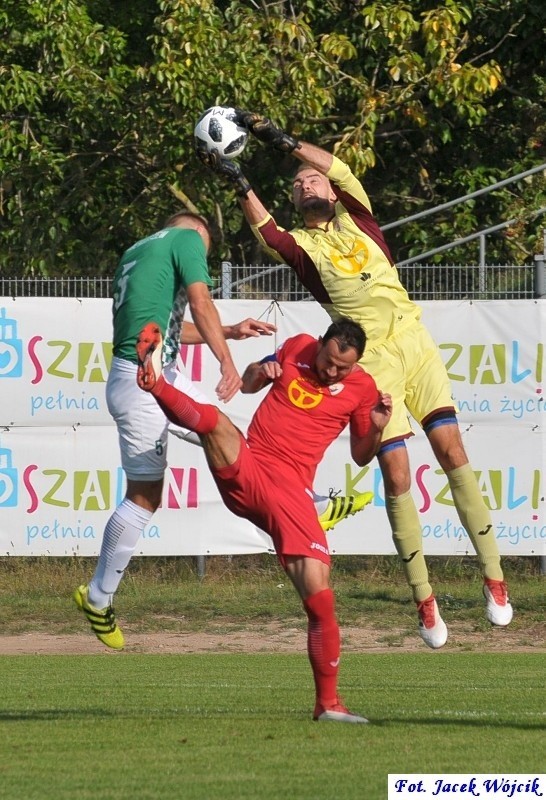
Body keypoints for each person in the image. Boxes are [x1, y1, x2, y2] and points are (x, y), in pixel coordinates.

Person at [197, 111, 513, 649]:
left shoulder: (357, 216)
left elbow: (334, 164)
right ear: (295, 202)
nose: (305, 183)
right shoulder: (304, 248)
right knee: (396, 476)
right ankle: (424, 598)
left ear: (331, 188)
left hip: (415, 343)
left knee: (453, 451)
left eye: (311, 178)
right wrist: (238, 178)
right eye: (297, 185)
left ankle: (495, 580)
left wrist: (280, 138)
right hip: (375, 365)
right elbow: (267, 230)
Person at [74, 210, 368, 650]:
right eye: (206, 252)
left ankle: (309, 503)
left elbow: (170, 328)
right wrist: (226, 363)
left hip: (158, 370)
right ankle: (98, 597)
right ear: (198, 233)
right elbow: (201, 302)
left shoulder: (138, 250)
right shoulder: (187, 238)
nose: (202, 259)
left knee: (232, 439)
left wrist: (229, 332)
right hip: (141, 380)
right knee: (144, 496)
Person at [136, 315, 392, 723]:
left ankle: (327, 705)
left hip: (291, 493)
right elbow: (252, 382)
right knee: (217, 424)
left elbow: (362, 454)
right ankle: (155, 384)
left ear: (357, 363)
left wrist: (377, 428)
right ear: (321, 344)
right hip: (253, 466)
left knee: (321, 601)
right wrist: (260, 370)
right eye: (327, 360)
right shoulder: (298, 346)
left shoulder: (363, 390)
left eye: (342, 367)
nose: (331, 371)